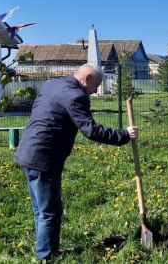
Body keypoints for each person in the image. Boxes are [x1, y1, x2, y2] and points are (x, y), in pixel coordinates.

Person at [15, 63, 138, 261]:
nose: (96, 90)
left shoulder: (52, 85)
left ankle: (44, 249)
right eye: (96, 86)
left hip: (27, 151)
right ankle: (47, 257)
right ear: (87, 79)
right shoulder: (76, 96)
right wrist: (124, 135)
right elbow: (91, 130)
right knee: (50, 212)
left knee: (40, 209)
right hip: (44, 157)